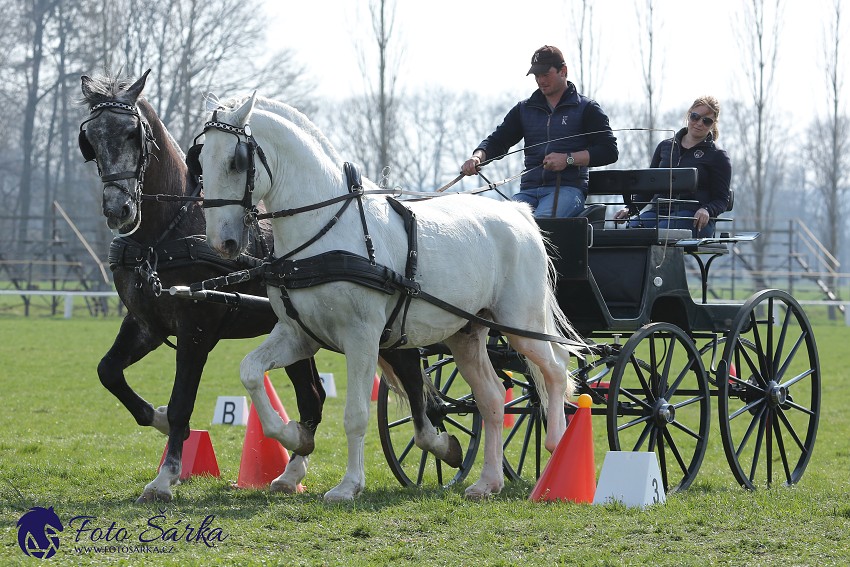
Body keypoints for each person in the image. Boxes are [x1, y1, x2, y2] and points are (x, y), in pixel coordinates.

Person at [460, 45, 618, 218]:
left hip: (568, 190)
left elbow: (609, 151)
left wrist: (568, 159)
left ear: (563, 71)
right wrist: (477, 157)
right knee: (500, 222)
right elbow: (498, 140)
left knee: (537, 225)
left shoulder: (587, 109)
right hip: (528, 191)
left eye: (545, 74)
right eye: (536, 75)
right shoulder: (524, 109)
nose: (540, 80)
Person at [614, 95, 731, 237]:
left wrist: (707, 209)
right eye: (695, 117)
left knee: (660, 232)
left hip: (693, 217)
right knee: (631, 231)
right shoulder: (665, 147)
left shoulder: (718, 156)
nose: (699, 123)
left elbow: (722, 199)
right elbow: (648, 186)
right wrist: (630, 209)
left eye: (706, 121)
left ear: (713, 124)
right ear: (689, 115)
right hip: (658, 212)